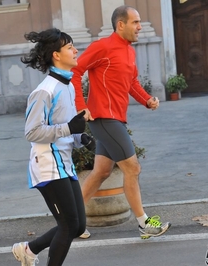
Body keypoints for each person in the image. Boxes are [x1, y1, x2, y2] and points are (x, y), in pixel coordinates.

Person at [71, 5, 171, 240]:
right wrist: (80, 106)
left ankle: (71, 222)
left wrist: (147, 100)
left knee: (101, 172)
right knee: (133, 168)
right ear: (121, 25)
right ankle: (144, 224)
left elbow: (132, 82)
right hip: (103, 118)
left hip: (116, 119)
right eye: (135, 22)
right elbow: (75, 72)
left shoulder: (128, 51)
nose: (140, 27)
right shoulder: (102, 47)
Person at [12, 28, 92, 266]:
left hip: (64, 163)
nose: (76, 50)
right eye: (70, 47)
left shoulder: (67, 86)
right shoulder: (44, 91)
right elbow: (32, 132)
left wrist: (82, 139)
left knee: (78, 226)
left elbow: (66, 127)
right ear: (56, 55)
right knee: (68, 225)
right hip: (47, 164)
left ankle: (28, 250)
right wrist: (69, 129)